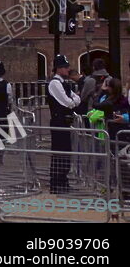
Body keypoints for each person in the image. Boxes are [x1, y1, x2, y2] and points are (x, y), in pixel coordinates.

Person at [47, 53, 80, 193]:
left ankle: (63, 181)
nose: (68, 69)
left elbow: (76, 98)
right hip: (58, 121)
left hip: (65, 122)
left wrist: (73, 102)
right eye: (66, 67)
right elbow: (68, 103)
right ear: (59, 68)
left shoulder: (63, 83)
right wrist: (73, 102)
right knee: (59, 152)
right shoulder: (55, 83)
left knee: (66, 152)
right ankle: (56, 183)